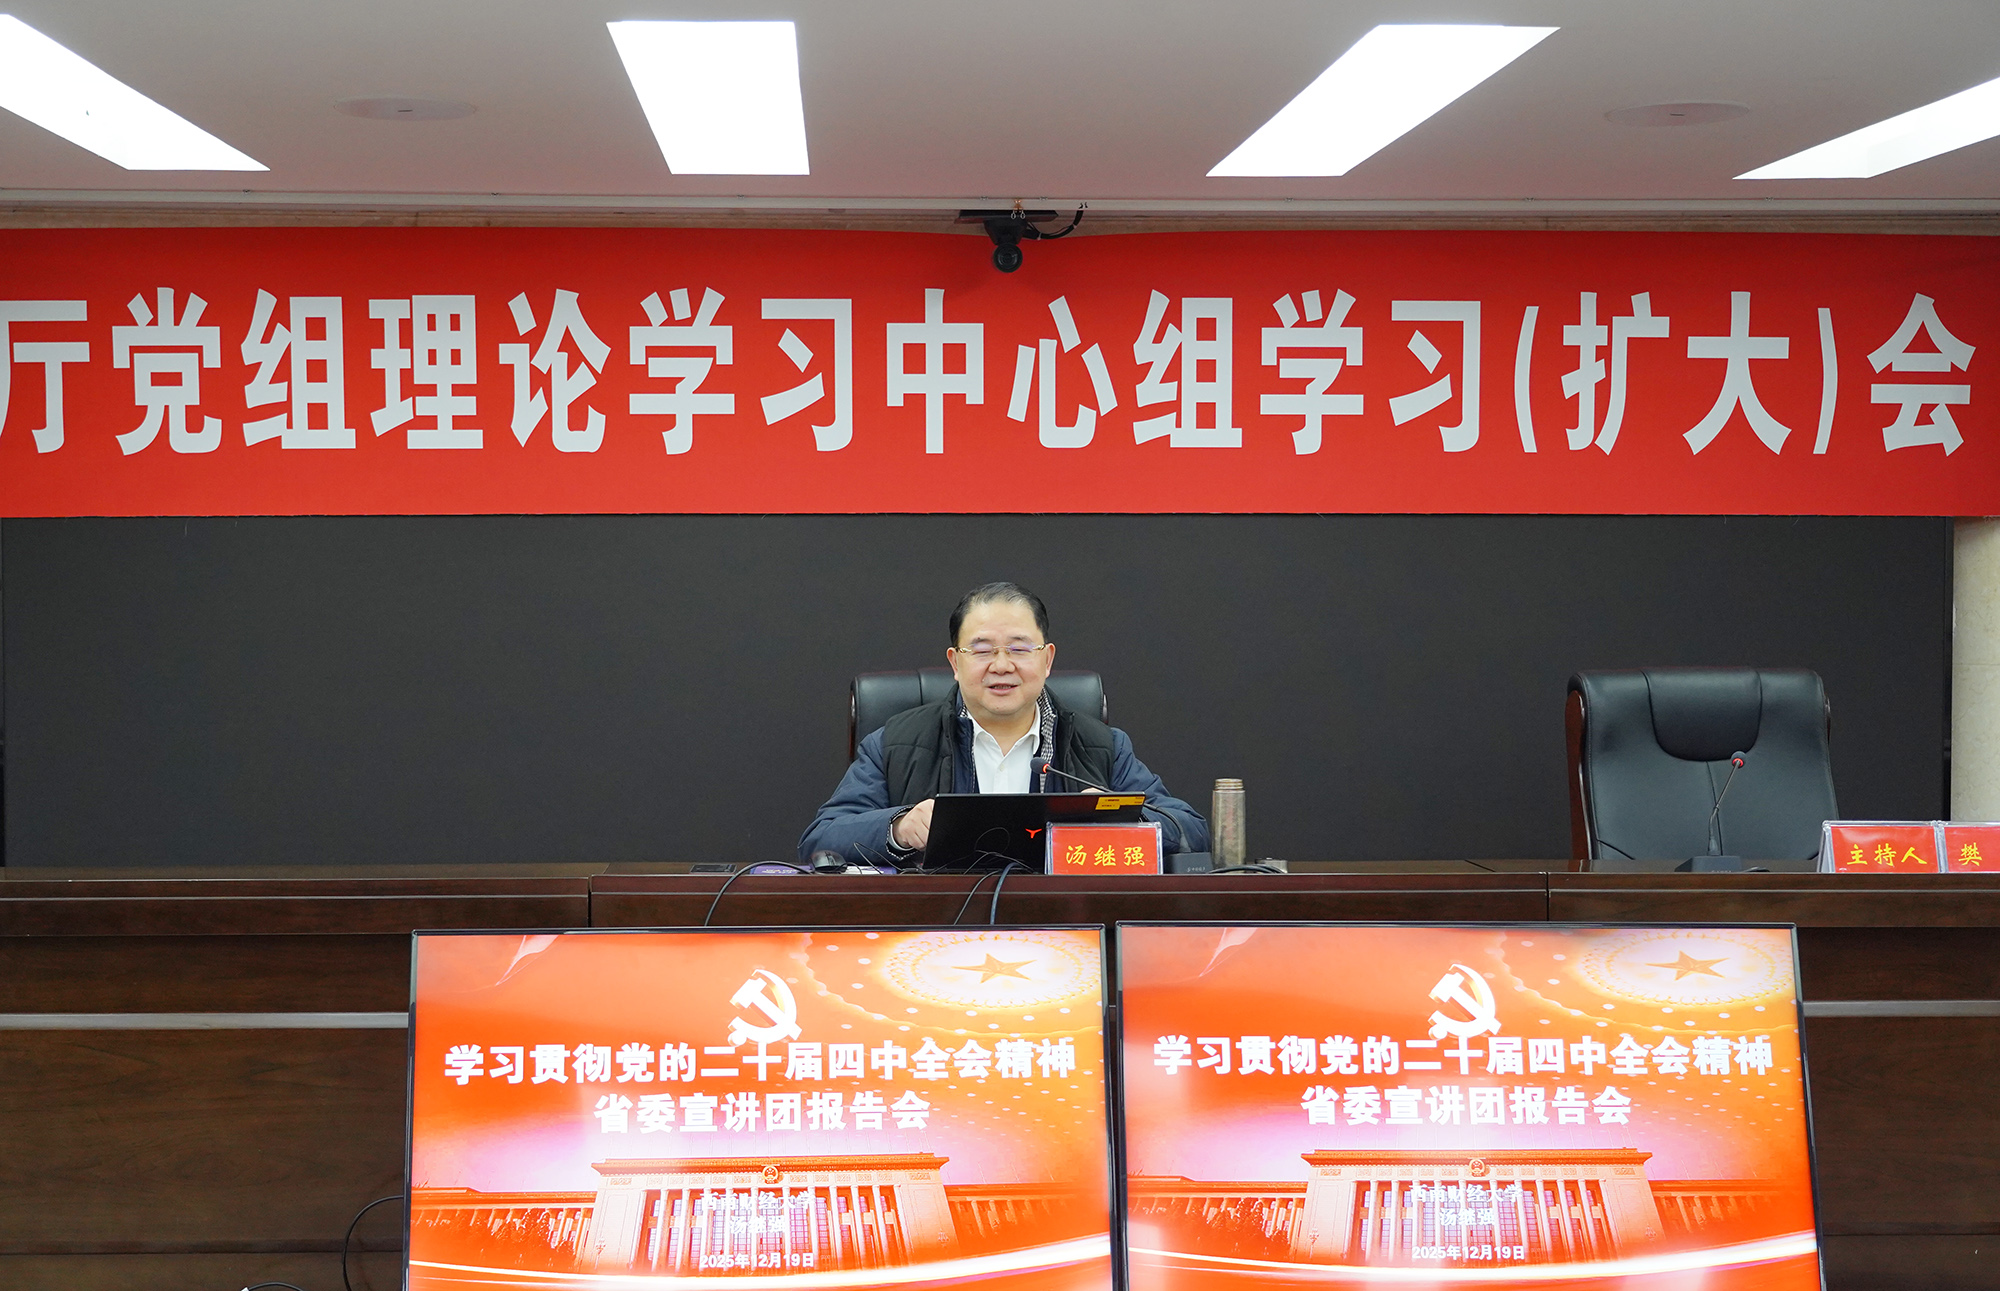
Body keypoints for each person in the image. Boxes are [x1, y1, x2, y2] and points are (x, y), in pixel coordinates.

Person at [800, 581, 1209, 866]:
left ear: (1047, 660)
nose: (1001, 665)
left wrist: (1123, 820)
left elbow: (1190, 830)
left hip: (1065, 929)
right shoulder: (895, 743)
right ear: (955, 663)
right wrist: (899, 827)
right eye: (981, 650)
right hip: (933, 930)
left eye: (1019, 649)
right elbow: (820, 839)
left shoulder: (1101, 746)